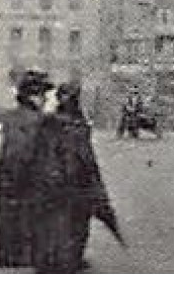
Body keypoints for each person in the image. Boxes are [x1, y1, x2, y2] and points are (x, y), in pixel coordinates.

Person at [34, 81, 115, 273]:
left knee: (52, 221)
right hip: (74, 181)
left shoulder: (49, 123)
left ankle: (49, 259)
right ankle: (70, 260)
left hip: (51, 181)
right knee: (76, 222)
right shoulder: (78, 125)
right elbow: (86, 158)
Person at [0, 70, 52, 269]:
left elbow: (7, 151)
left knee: (8, 218)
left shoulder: (11, 117)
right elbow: (27, 151)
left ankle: (4, 254)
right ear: (32, 96)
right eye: (42, 95)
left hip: (10, 177)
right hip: (28, 178)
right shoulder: (39, 120)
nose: (45, 99)